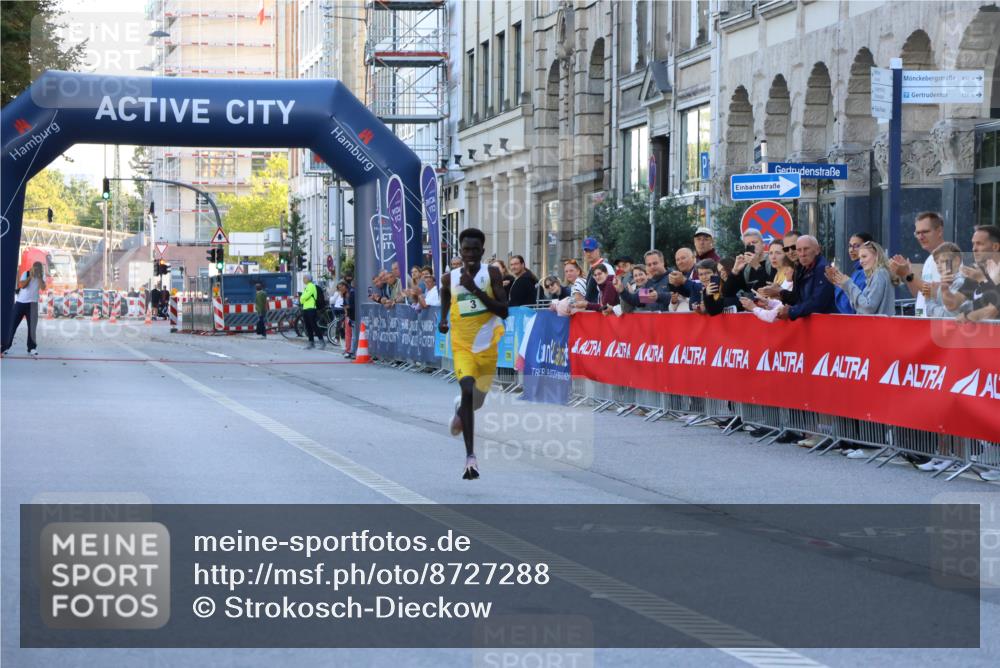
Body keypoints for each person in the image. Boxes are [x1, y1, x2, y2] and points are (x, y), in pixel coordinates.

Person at [438, 228, 509, 480]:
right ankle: (470, 458)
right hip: (462, 346)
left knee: (475, 401)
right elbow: (445, 296)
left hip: (488, 349)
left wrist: (475, 290)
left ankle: (461, 411)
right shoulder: (449, 278)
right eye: (465, 250)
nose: (469, 254)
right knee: (466, 388)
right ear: (460, 250)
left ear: (482, 251)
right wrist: (443, 318)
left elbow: (503, 311)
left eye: (474, 250)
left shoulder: (491, 274)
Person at [889, 211, 945, 317]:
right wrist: (907, 275)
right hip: (923, 324)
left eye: (925, 232)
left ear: (939, 231)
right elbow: (920, 294)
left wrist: (908, 275)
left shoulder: (948, 256)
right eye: (917, 233)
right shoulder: (930, 259)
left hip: (937, 327)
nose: (920, 237)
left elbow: (937, 294)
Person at [943, 224, 1000, 323]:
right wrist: (945, 288)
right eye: (973, 244)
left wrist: (968, 316)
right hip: (983, 336)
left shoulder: (979, 274)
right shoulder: (977, 270)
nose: (974, 248)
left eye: (979, 244)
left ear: (995, 246)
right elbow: (952, 305)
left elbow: (992, 311)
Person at [825, 240, 897, 316]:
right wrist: (842, 284)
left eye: (864, 256)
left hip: (877, 326)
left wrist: (848, 284)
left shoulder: (879, 273)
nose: (861, 261)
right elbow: (859, 307)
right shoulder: (879, 273)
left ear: (876, 256)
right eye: (860, 258)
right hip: (877, 325)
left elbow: (868, 308)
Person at [775, 235, 836, 321]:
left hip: (825, 324)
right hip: (811, 324)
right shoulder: (801, 269)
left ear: (817, 250)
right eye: (799, 250)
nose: (802, 254)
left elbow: (818, 303)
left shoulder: (823, 269)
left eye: (806, 249)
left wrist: (791, 311)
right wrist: (779, 295)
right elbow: (798, 299)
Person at [2, 261, 45, 356]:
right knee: (12, 325)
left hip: (33, 304)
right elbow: (22, 286)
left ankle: (32, 348)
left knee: (32, 327)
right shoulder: (26, 273)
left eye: (39, 268)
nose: (37, 270)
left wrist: (39, 278)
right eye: (36, 268)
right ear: (32, 268)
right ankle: (5, 347)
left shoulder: (42, 276)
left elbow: (43, 288)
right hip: (20, 303)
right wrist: (30, 277)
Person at [834, 232, 874, 314]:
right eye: (850, 246)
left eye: (856, 246)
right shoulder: (858, 271)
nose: (851, 250)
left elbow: (848, 306)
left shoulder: (865, 273)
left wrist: (838, 285)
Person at [582, 237, 614, 303]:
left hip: (603, 311)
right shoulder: (592, 269)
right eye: (586, 251)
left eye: (591, 250)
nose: (588, 254)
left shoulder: (606, 267)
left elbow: (612, 291)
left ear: (598, 250)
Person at [300, 273, 325, 349]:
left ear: (308, 279)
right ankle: (311, 342)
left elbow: (304, 297)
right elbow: (302, 299)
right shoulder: (307, 287)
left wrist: (302, 298)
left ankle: (322, 342)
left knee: (314, 326)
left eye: (304, 278)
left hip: (311, 308)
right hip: (306, 308)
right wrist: (302, 299)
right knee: (308, 326)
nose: (303, 279)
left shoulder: (311, 286)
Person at [344, 275, 358, 359]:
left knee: (353, 335)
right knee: (353, 334)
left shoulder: (351, 292)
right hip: (353, 316)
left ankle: (352, 351)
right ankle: (352, 351)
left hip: (352, 316)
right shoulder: (353, 292)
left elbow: (351, 305)